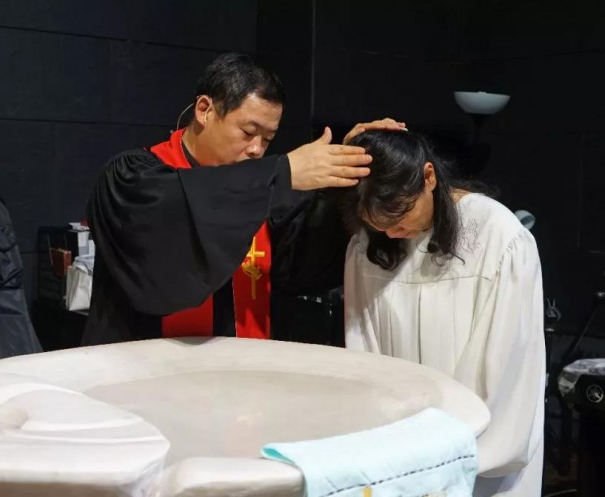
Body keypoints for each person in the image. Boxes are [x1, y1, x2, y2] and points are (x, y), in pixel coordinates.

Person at [82, 52, 404, 345]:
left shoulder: (256, 191)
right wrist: (283, 172)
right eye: (249, 132)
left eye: (267, 139)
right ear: (205, 110)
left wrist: (344, 178)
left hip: (236, 386)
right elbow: (171, 226)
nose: (257, 150)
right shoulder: (131, 178)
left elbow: (302, 258)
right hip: (146, 385)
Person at [341, 130, 545, 497]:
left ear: (429, 177)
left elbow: (507, 364)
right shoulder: (369, 245)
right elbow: (365, 356)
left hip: (475, 455)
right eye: (379, 224)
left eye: (400, 216)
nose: (392, 232)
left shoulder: (497, 236)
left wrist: (447, 448)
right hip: (400, 455)